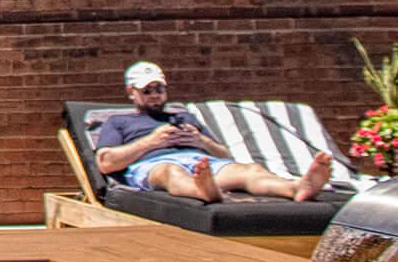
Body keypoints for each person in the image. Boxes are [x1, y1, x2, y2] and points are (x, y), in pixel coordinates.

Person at [94, 60, 332, 202]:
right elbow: (105, 163)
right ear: (131, 92)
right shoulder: (119, 122)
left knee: (251, 170)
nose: (155, 94)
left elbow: (224, 155)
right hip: (155, 165)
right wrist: (151, 142)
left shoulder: (183, 117)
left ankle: (296, 187)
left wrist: (200, 140)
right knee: (172, 172)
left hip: (203, 165)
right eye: (147, 90)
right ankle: (201, 190)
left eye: (159, 88)